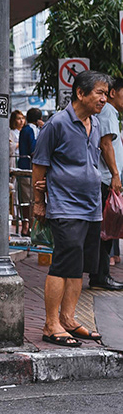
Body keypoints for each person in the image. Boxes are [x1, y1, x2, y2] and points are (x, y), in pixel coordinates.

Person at [32, 70, 111, 347]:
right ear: (80, 93)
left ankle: (68, 318)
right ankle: (50, 324)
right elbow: (39, 165)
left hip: (91, 205)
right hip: (65, 206)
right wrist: (39, 203)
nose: (105, 98)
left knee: (78, 268)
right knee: (62, 264)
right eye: (99, 93)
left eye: (106, 93)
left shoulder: (96, 123)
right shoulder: (57, 124)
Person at [88, 77, 123, 291]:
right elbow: (106, 143)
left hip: (105, 179)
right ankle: (101, 276)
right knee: (105, 230)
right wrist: (115, 175)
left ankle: (100, 275)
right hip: (105, 180)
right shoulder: (108, 111)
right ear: (113, 93)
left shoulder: (109, 113)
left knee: (106, 230)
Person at [18, 107, 42, 236]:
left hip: (22, 165)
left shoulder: (24, 130)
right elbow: (34, 149)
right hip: (31, 168)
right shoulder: (34, 130)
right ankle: (30, 226)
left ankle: (25, 225)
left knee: (24, 198)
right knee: (32, 198)